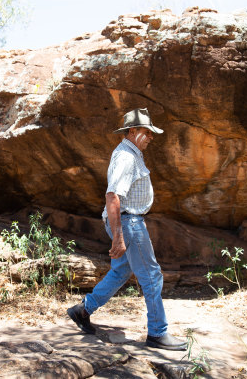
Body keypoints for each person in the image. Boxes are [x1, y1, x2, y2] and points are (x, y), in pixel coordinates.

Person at [67, 108, 187, 351]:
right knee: (152, 276)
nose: (151, 137)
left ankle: (83, 310)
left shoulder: (132, 153)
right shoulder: (126, 157)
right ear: (133, 131)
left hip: (128, 221)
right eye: (147, 132)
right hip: (129, 222)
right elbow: (112, 196)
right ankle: (157, 333)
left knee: (121, 271)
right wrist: (119, 237)